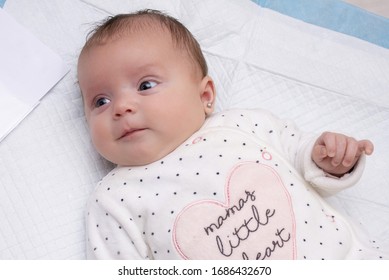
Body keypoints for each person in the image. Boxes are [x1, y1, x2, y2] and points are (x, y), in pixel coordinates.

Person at [77, 9, 386, 260]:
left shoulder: (242, 125)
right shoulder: (114, 199)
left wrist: (329, 158)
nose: (121, 107)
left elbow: (301, 153)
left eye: (145, 85)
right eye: (100, 101)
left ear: (205, 96)